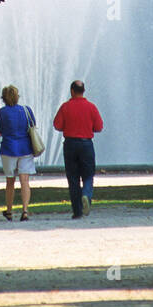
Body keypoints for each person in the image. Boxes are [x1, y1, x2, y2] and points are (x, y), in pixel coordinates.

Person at [53, 80, 102, 219]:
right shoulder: (91, 107)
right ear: (83, 91)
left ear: (72, 91)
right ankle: (86, 194)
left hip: (70, 144)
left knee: (73, 178)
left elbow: (57, 125)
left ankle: (77, 211)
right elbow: (99, 127)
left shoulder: (65, 107)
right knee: (88, 174)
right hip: (86, 144)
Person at [0, 84, 37, 221]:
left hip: (8, 149)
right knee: (25, 181)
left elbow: (0, 131)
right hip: (25, 148)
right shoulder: (26, 110)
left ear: (4, 98)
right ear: (17, 97)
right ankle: (25, 210)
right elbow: (33, 126)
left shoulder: (2, 112)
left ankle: (9, 211)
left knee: (10, 181)